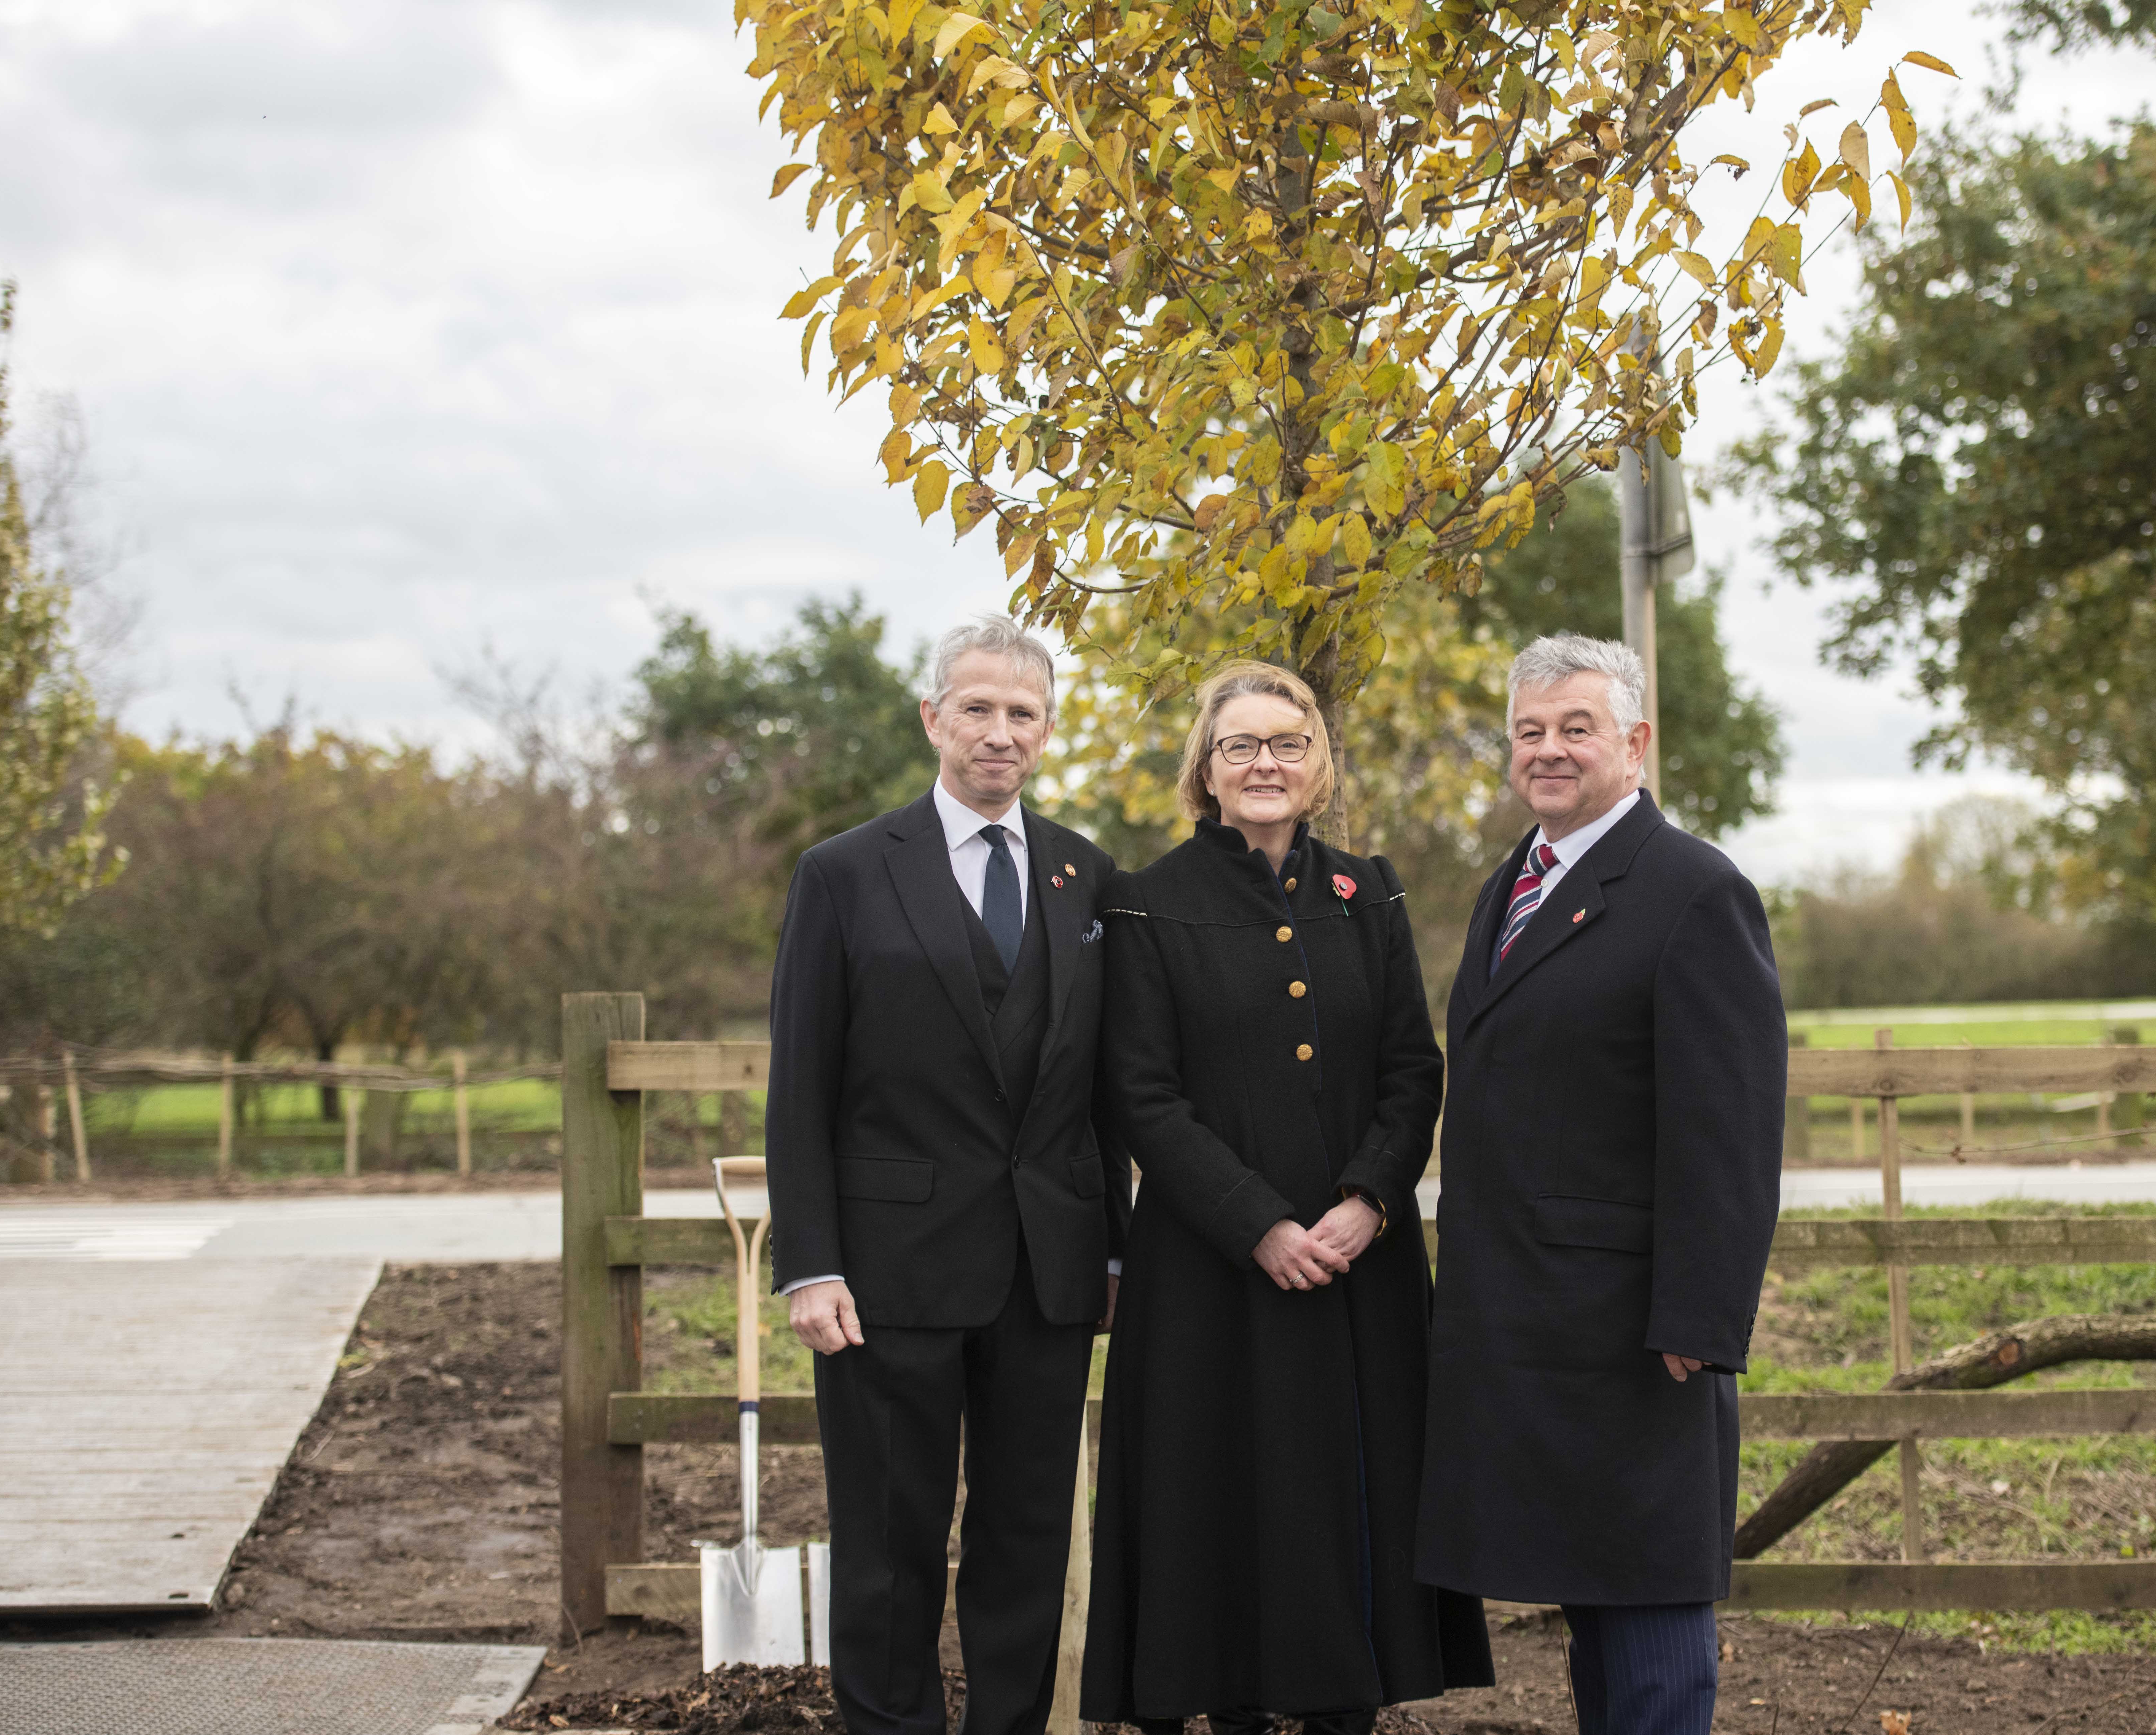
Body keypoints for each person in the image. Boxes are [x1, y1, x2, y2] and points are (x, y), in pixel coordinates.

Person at [1082, 660, 1493, 1735]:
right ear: (1205, 771)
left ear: (1318, 765)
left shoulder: (1373, 892)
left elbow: (1415, 1067)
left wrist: (1368, 1199)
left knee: (1346, 1509)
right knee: (1225, 1509)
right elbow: (1140, 1093)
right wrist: (1257, 1221)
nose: (1265, 763)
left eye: (1287, 743)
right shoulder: (1145, 899)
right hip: (1212, 1279)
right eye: (1241, 746)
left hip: (1362, 1270)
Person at [764, 615, 1132, 1735]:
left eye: (1023, 713)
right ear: (933, 717)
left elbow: (1107, 1088)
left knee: (1027, 1540)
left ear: (1049, 731)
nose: (1000, 733)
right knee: (889, 1538)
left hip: (1048, 1270)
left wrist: (1114, 1242)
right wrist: (811, 1263)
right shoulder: (843, 874)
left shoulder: (1090, 878)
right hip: (885, 1275)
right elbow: (800, 1086)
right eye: (977, 708)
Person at [1415, 634, 1787, 1735]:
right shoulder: (1513, 884)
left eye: (1576, 728)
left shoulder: (1695, 891)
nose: (1549, 750)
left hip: (1636, 1328)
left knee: (1653, 1602)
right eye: (1530, 730)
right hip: (1522, 1315)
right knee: (1593, 1603)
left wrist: (1703, 1314)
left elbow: (1731, 1126)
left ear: (1635, 741)